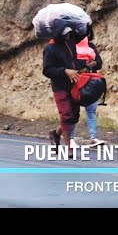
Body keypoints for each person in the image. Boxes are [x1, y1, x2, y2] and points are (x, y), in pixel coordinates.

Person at [43, 26, 81, 155]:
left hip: (74, 85)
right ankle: (69, 147)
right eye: (64, 34)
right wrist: (65, 71)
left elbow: (75, 60)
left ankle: (56, 134)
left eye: (68, 34)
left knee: (74, 117)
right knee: (66, 115)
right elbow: (47, 70)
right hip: (59, 86)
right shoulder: (50, 48)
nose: (67, 36)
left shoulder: (70, 42)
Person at [69, 26, 105, 147]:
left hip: (90, 82)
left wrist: (94, 63)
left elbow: (99, 63)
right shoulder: (70, 47)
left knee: (92, 110)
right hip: (76, 81)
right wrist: (82, 64)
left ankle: (93, 137)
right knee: (73, 111)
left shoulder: (91, 46)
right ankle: (71, 138)